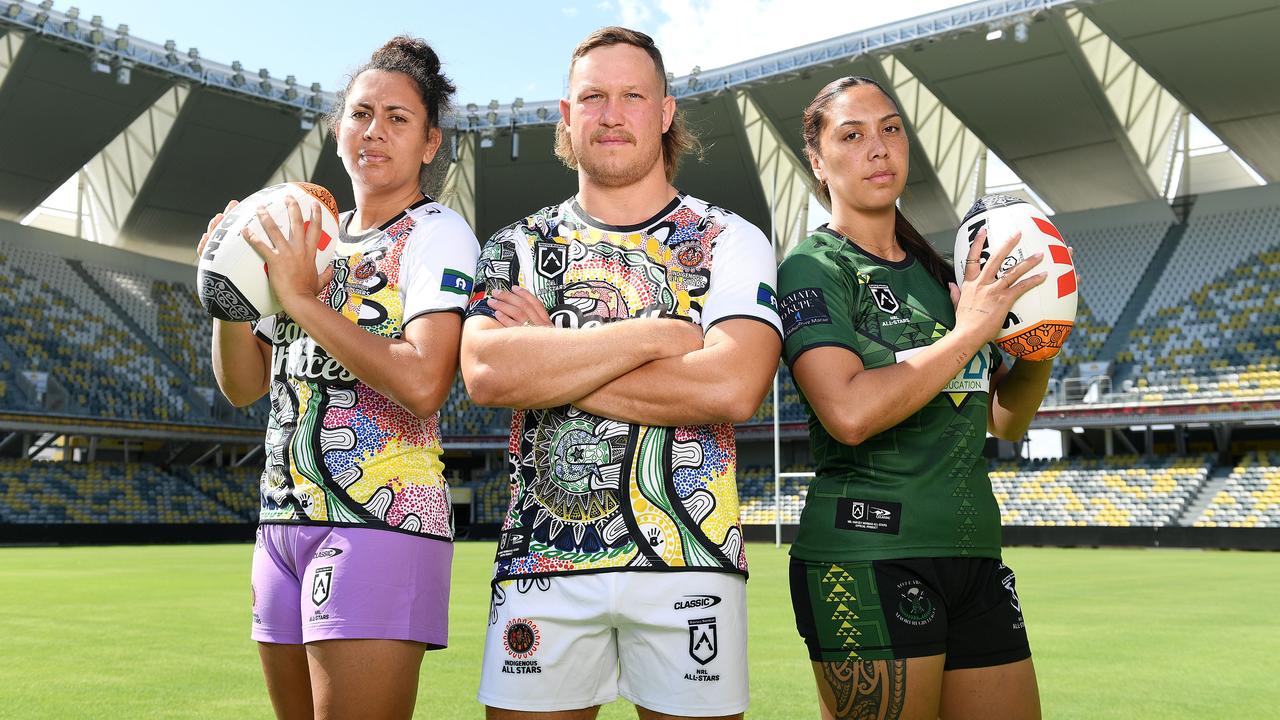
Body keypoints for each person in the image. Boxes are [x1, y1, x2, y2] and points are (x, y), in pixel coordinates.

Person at [460, 26, 782, 720]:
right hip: (541, 564)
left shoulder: (728, 239)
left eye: (633, 95)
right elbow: (487, 373)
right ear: (565, 116)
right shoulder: (513, 248)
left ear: (664, 113)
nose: (611, 114)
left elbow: (731, 388)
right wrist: (660, 337)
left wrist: (551, 354)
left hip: (689, 559)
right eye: (593, 97)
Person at [198, 36, 478, 720]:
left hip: (380, 521)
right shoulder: (305, 235)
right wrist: (228, 289)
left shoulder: (436, 232)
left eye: (397, 118)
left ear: (429, 143)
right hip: (280, 521)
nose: (373, 131)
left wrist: (299, 301)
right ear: (338, 128)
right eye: (359, 113)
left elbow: (423, 382)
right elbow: (243, 386)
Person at [777, 76, 1054, 720]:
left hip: (975, 556)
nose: (879, 147)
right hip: (868, 555)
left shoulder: (944, 274)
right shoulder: (813, 268)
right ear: (817, 164)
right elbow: (848, 414)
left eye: (891, 129)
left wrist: (1041, 341)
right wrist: (968, 335)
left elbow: (1006, 421)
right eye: (853, 135)